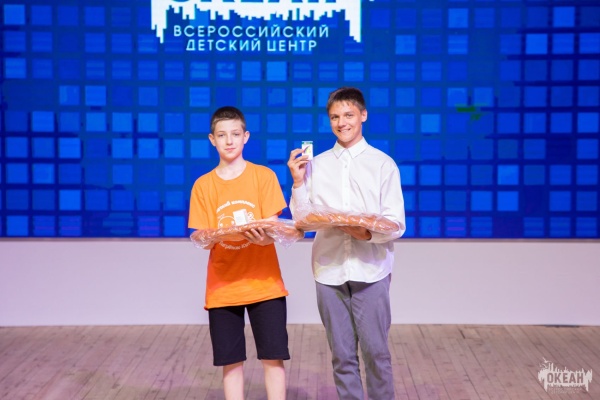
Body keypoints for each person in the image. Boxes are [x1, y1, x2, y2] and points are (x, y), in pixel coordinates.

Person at [287, 87, 406, 399]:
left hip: (371, 270)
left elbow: (395, 223)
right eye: (335, 117)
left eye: (349, 115)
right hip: (329, 270)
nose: (342, 123)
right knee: (341, 357)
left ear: (363, 115)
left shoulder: (382, 164)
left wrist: (365, 233)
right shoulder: (315, 164)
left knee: (376, 354)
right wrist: (298, 182)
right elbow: (302, 219)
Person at [189, 106, 289, 400]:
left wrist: (264, 237)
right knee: (230, 361)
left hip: (265, 284)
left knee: (273, 357)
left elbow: (272, 227)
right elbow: (202, 236)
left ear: (246, 137)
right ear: (212, 140)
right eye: (222, 135)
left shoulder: (263, 176)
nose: (229, 141)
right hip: (222, 287)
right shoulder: (203, 185)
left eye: (235, 134)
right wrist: (213, 236)